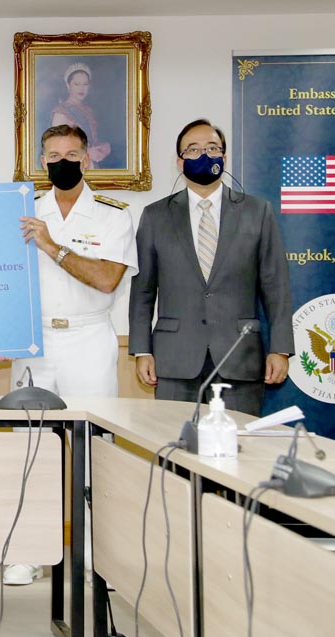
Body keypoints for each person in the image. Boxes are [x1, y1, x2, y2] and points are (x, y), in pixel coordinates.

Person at [6, 124, 138, 585]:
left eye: (72, 154)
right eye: (53, 155)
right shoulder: (23, 211)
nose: (62, 161)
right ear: (42, 161)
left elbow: (106, 280)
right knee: (29, 446)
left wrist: (52, 246)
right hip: (33, 342)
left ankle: (96, 554)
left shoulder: (112, 215)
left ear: (88, 159)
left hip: (89, 339)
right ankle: (27, 552)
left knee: (94, 447)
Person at [128, 119, 294, 416]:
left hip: (239, 357)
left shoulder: (257, 212)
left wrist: (280, 349)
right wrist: (142, 350)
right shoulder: (155, 216)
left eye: (212, 148)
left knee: (237, 443)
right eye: (193, 149)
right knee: (176, 441)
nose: (203, 155)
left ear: (224, 158)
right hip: (174, 360)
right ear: (180, 162)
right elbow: (143, 291)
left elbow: (276, 287)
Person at [51, 63, 111, 167]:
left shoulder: (88, 110)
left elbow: (88, 141)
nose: (81, 88)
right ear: (68, 85)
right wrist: (87, 152)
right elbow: (56, 146)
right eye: (77, 84)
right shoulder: (61, 112)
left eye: (85, 84)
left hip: (91, 165)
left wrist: (101, 147)